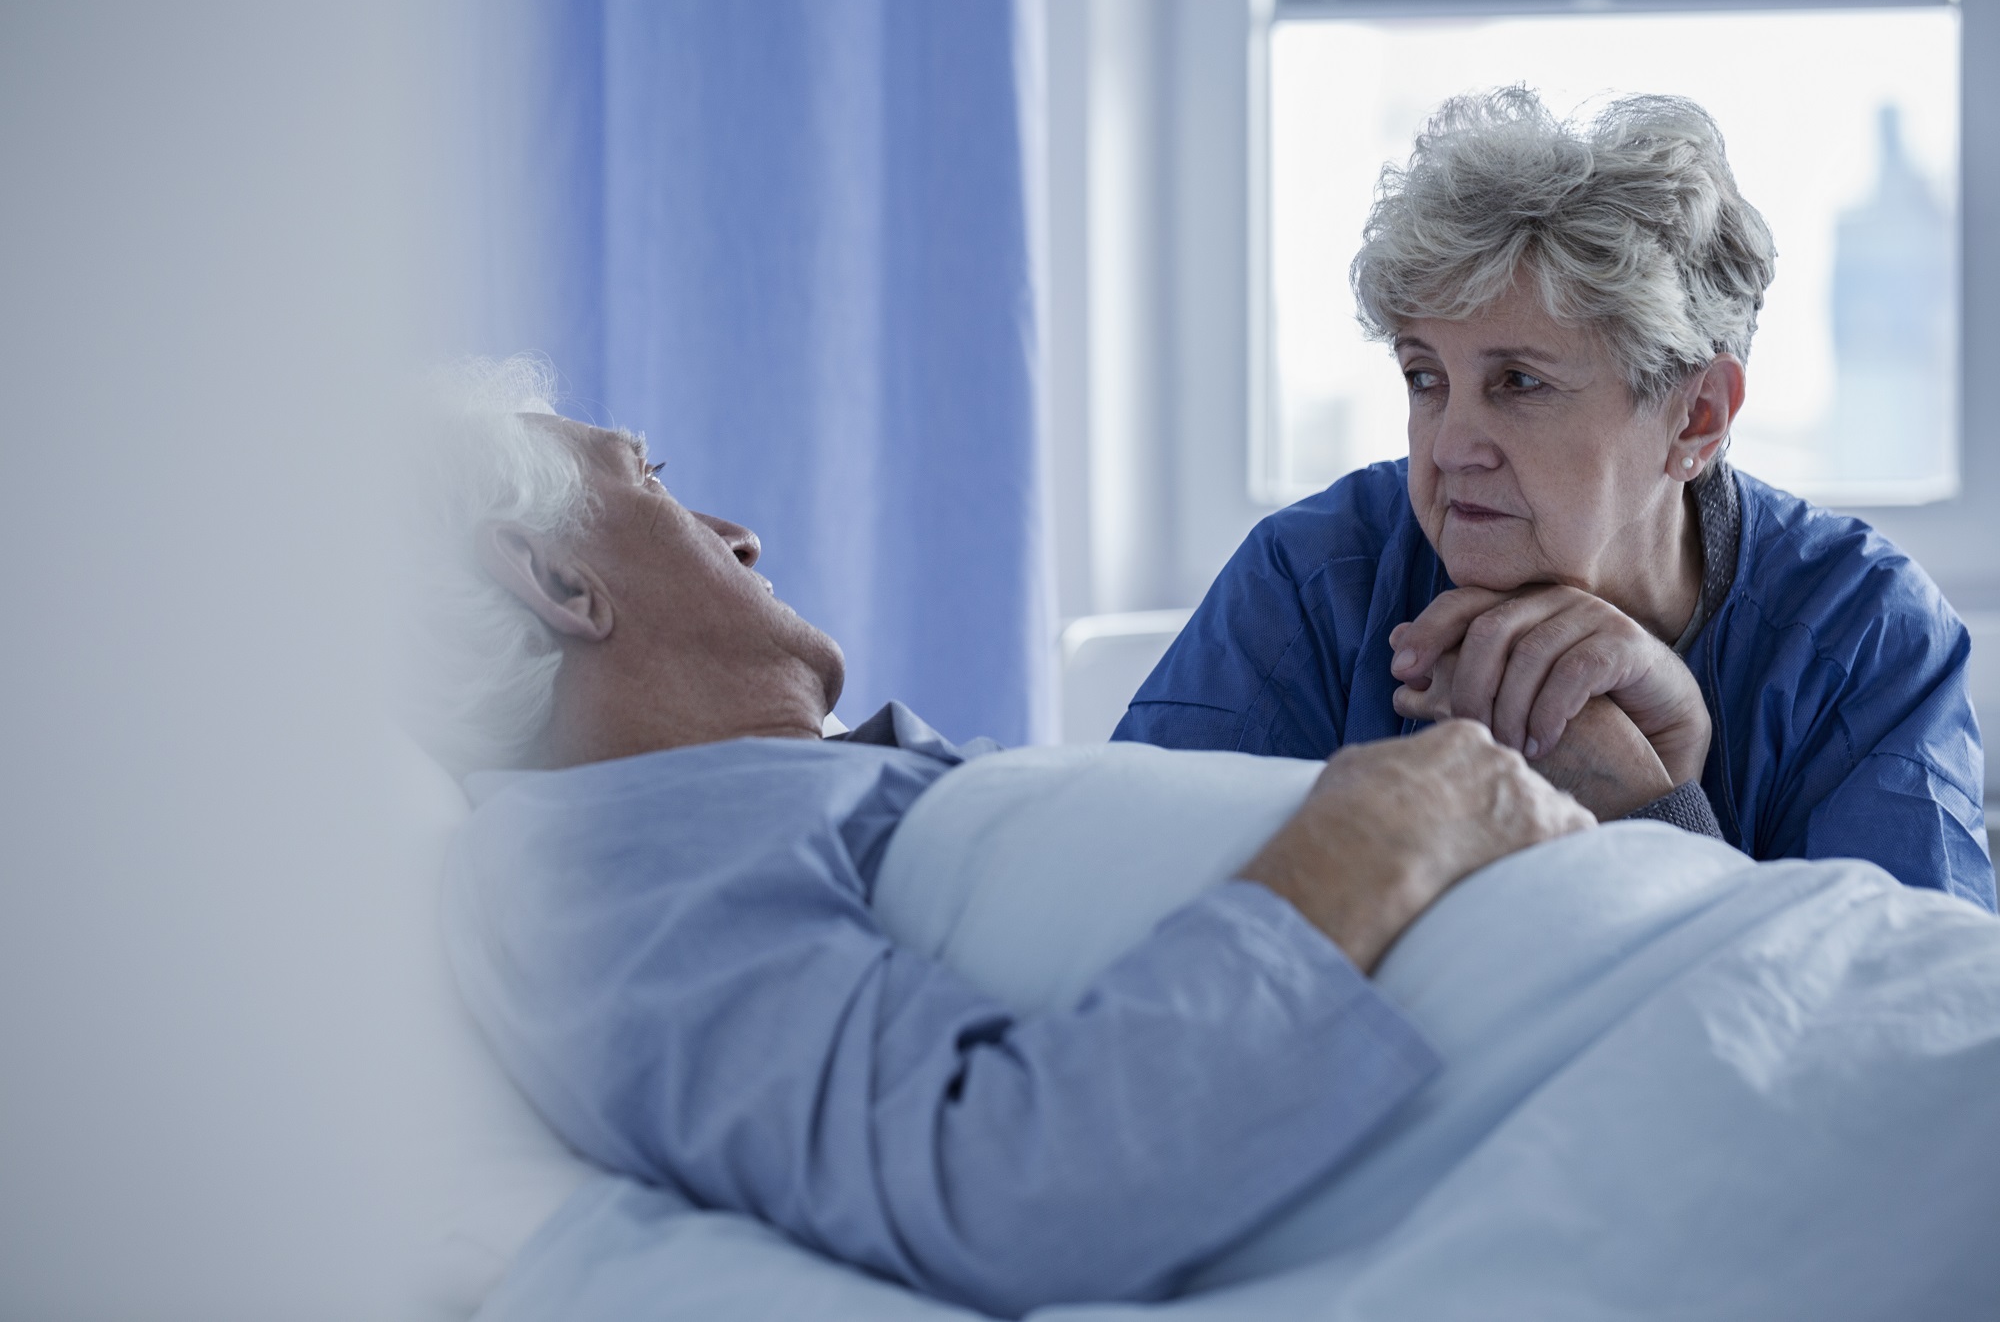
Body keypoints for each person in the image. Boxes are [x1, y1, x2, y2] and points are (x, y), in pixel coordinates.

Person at [415, 357, 1599, 1318]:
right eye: (655, 483)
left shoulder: (765, 791)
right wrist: (1388, 828)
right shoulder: (595, 857)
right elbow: (1006, 1187)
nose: (736, 536)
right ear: (557, 582)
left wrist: (1646, 803)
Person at [1116, 87, 1992, 909]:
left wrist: (1649, 807)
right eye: (1426, 377)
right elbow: (1126, 917)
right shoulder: (1311, 584)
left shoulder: (1864, 637)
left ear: (1696, 416)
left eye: (1521, 382)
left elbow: (1901, 1036)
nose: (1450, 445)